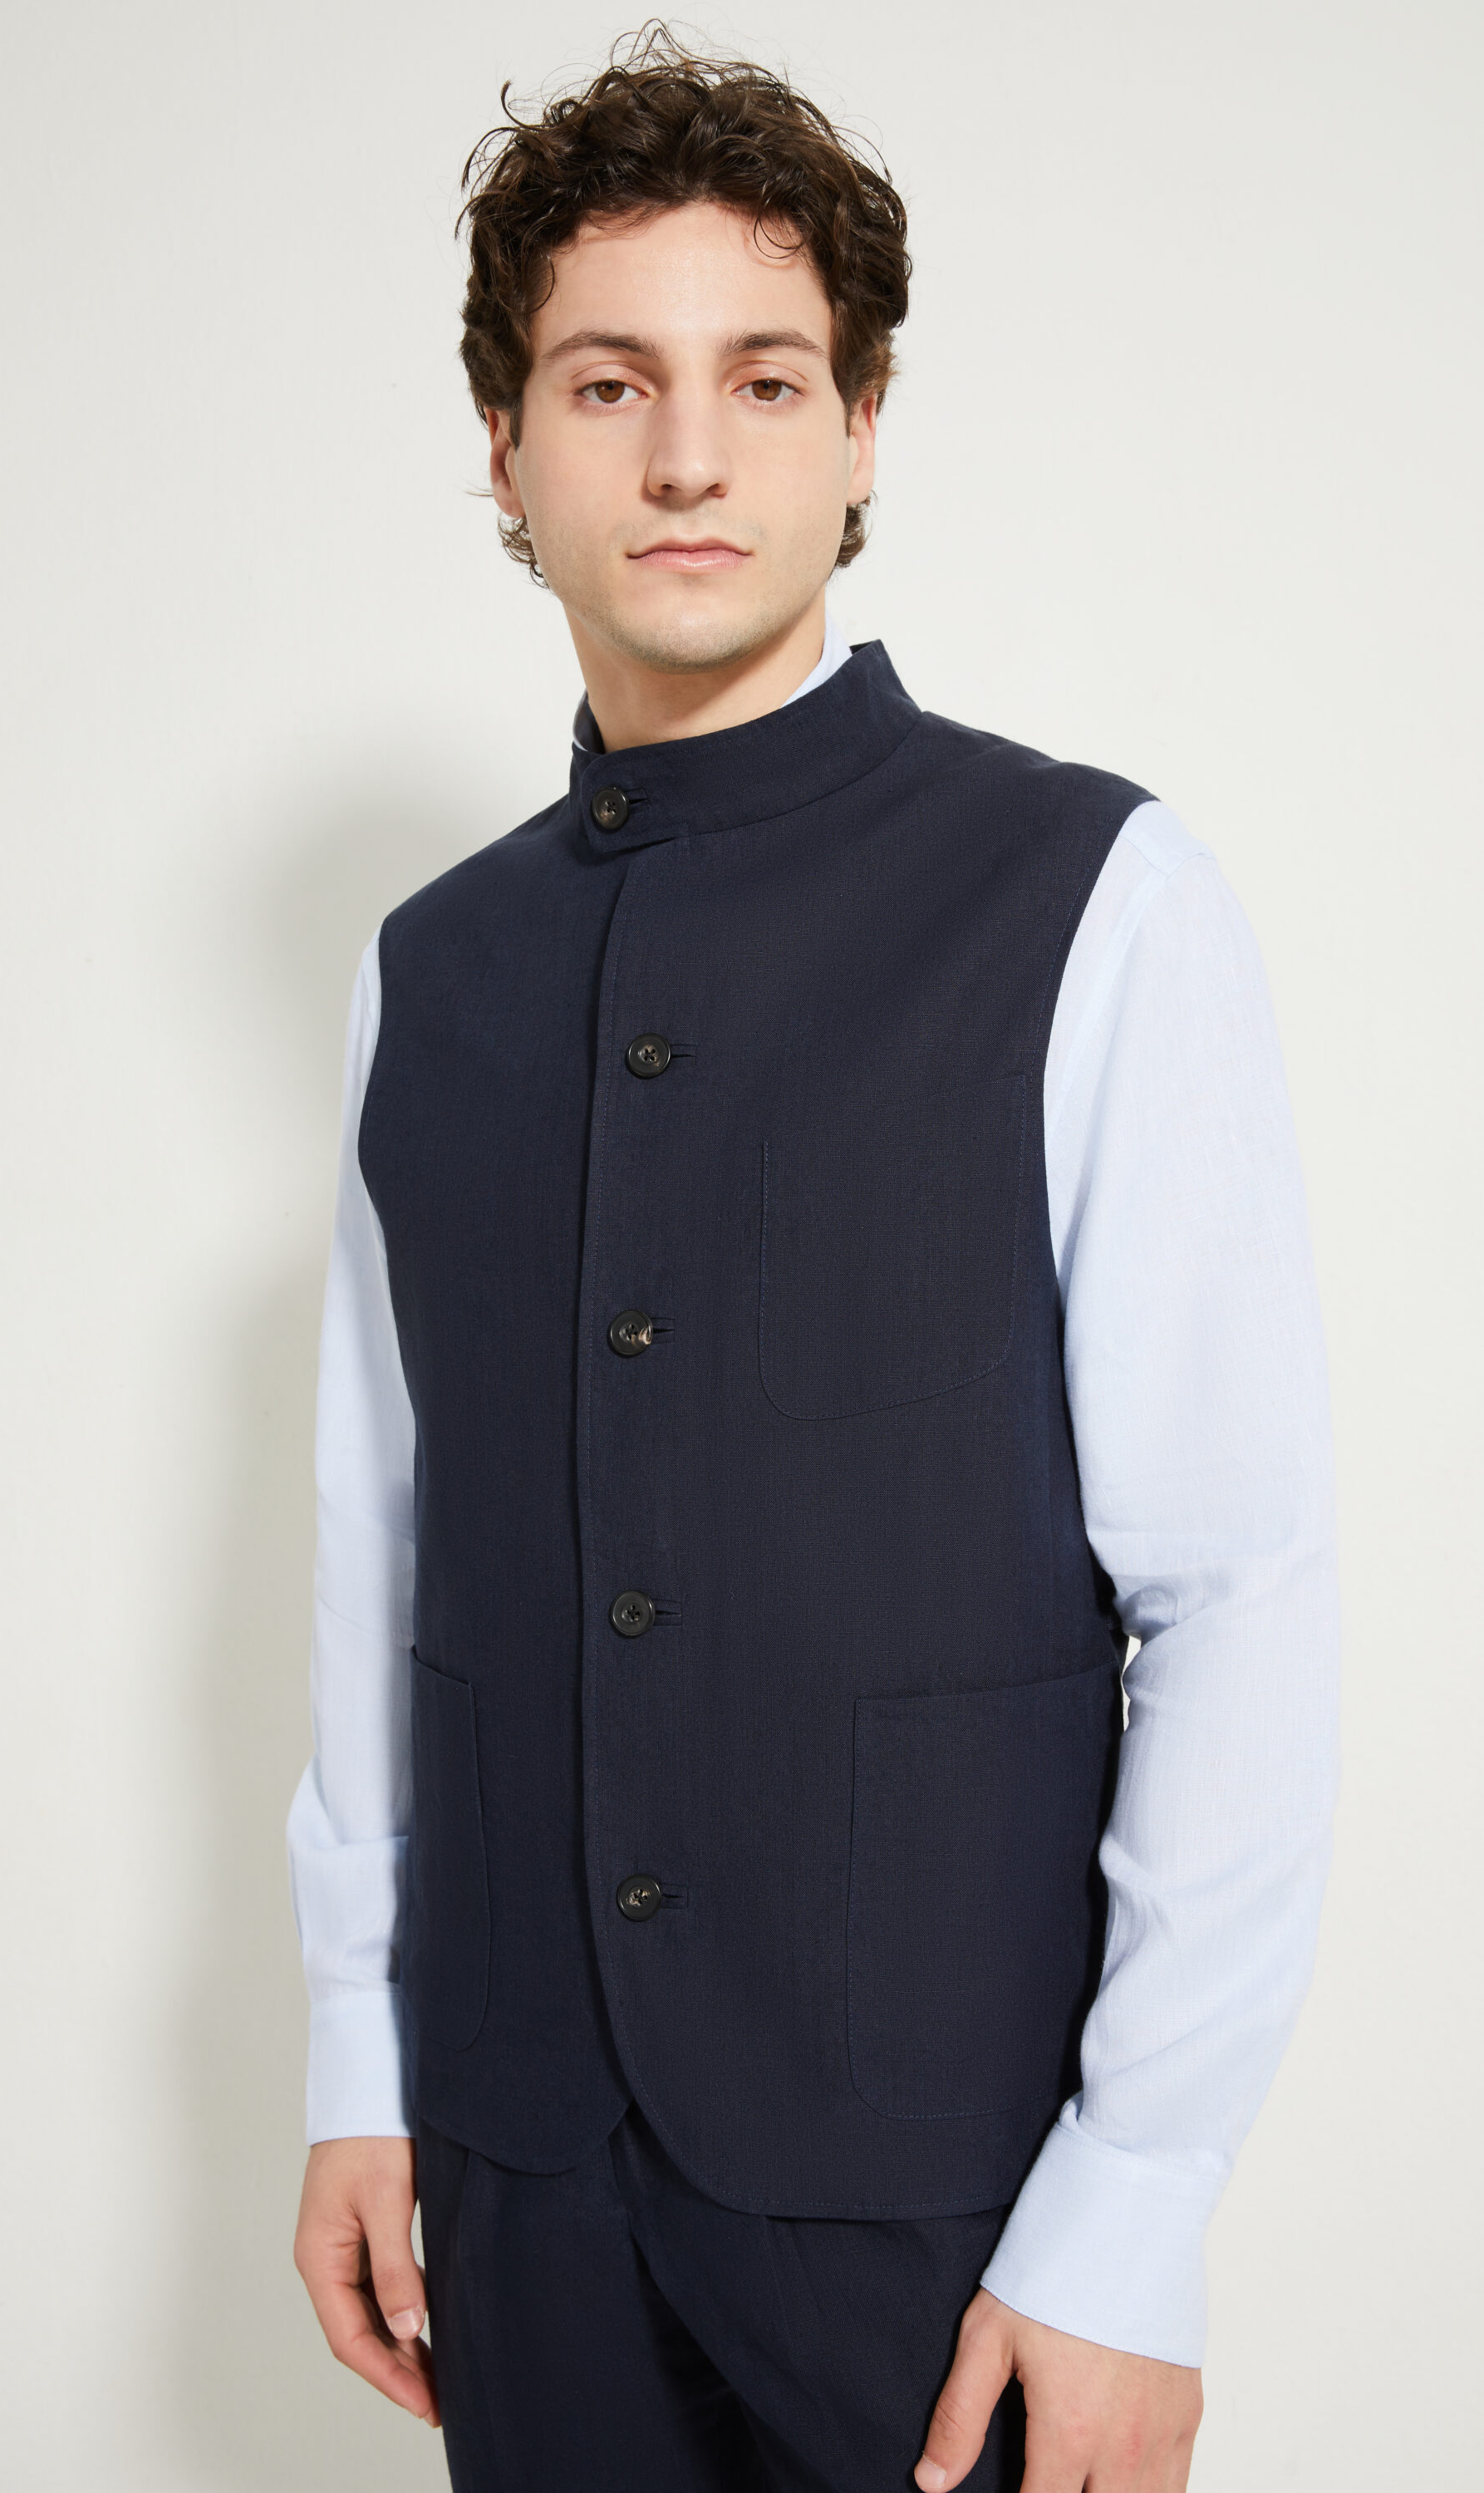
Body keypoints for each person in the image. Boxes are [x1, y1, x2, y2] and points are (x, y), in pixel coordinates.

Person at [286, 33, 1338, 2493]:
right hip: (521, 2176)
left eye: (763, 381)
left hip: (952, 2209)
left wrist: (1137, 2210)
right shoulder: (429, 972)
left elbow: (1239, 1589)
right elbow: (381, 1549)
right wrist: (356, 2059)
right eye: (607, 384)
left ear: (862, 432)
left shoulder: (1094, 898)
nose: (687, 457)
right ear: (504, 446)